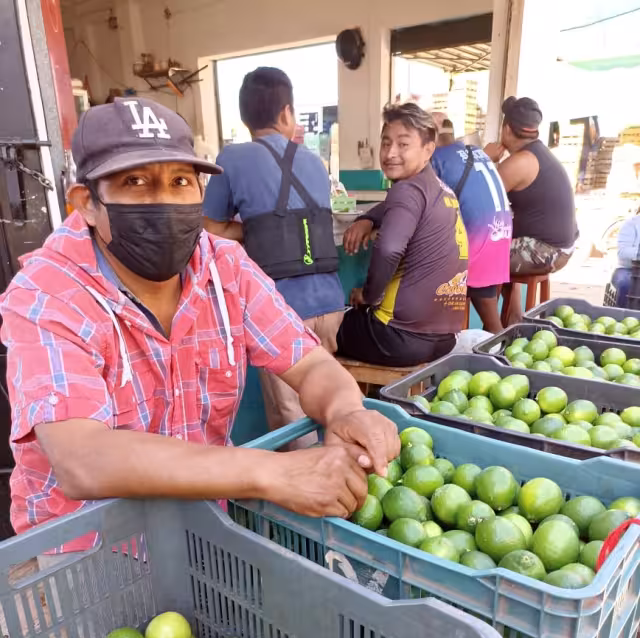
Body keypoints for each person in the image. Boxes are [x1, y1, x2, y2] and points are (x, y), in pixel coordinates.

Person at [0, 97, 399, 541]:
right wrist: (273, 472)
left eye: (180, 181)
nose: (164, 200)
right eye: (135, 181)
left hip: (201, 531)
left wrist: (347, 410)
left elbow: (310, 364)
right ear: (86, 204)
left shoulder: (225, 267)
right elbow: (82, 458)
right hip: (92, 551)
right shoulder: (48, 293)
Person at [203, 68, 344, 435]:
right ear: (286, 113)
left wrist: (254, 229)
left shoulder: (231, 158)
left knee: (291, 418)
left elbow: (209, 229)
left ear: (244, 116)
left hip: (281, 309)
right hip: (331, 303)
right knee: (326, 404)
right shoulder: (314, 161)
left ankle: (312, 474)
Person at [339, 103, 468, 367]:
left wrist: (369, 295)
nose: (390, 153)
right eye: (386, 143)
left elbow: (389, 249)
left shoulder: (407, 191)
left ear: (428, 149)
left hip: (398, 337)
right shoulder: (442, 191)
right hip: (445, 339)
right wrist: (367, 219)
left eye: (403, 144)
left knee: (320, 328)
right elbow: (393, 206)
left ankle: (351, 396)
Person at [485, 96, 578, 324]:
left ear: (507, 129)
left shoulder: (521, 161)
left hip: (545, 251)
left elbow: (478, 196)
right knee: (504, 244)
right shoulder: (539, 154)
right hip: (559, 247)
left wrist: (484, 159)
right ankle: (514, 321)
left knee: (479, 255)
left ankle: (493, 332)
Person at [431, 114, 511, 333]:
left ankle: (498, 348)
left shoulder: (436, 158)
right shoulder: (476, 152)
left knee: (492, 326)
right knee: (490, 319)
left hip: (476, 242)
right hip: (500, 235)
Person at [611, 208, 640, 304]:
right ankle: (623, 313)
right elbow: (623, 252)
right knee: (626, 284)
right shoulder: (632, 224)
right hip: (628, 270)